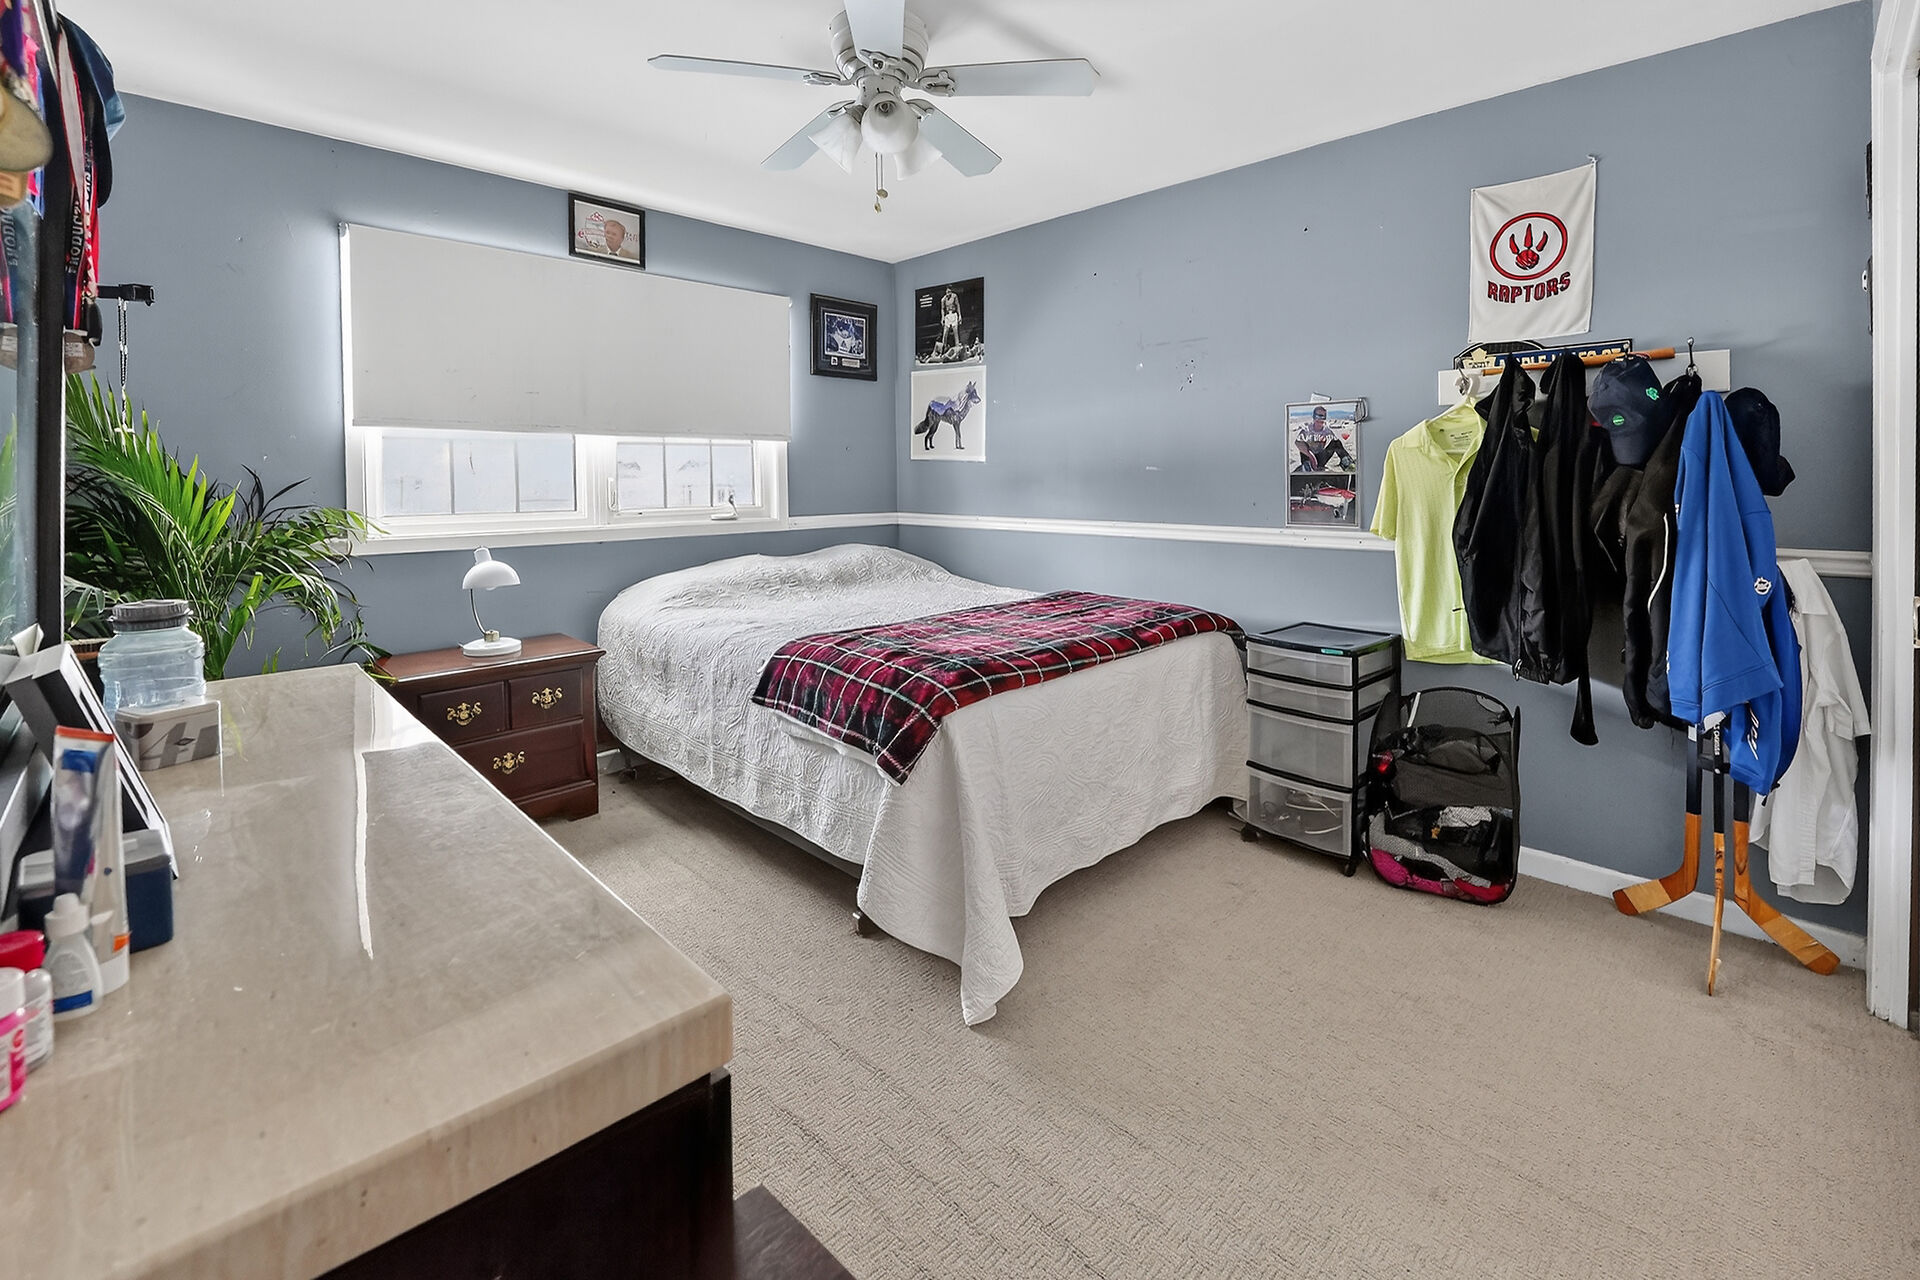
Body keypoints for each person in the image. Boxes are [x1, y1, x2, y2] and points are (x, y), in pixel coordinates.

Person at [1295, 404, 1354, 472]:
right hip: (1308, 458)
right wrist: (1311, 456)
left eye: (1323, 417)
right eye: (1318, 416)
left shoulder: (1326, 430)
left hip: (1320, 459)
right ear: (1314, 417)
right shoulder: (1307, 429)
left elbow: (1337, 443)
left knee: (1336, 443)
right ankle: (1307, 467)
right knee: (1303, 445)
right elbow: (1297, 442)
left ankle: (1348, 465)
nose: (1320, 419)